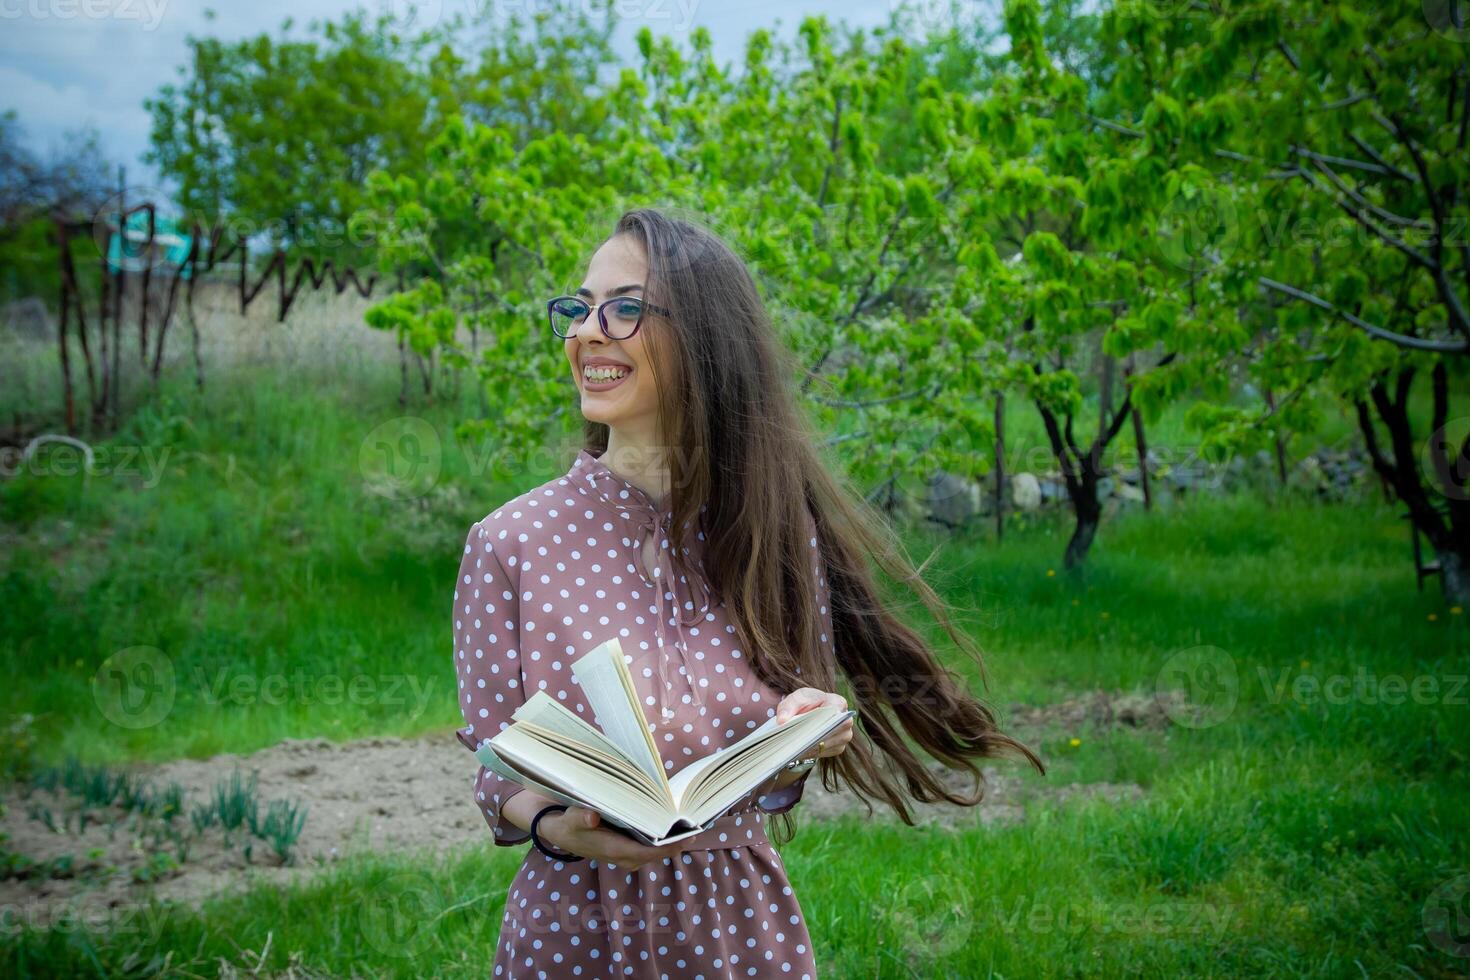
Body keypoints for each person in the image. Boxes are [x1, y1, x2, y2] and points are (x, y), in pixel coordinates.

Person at [452, 207, 1043, 978]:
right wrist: (559, 830)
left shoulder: (770, 526)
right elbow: (499, 768)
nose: (588, 331)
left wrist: (810, 733)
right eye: (579, 308)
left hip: (738, 923)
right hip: (575, 925)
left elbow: (787, 746)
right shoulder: (509, 542)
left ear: (703, 337)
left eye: (625, 308)